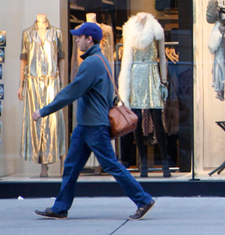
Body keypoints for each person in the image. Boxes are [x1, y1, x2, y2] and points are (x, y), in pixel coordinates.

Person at [32, 22, 156, 221]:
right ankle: (60, 208)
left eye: (79, 37)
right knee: (71, 166)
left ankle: (143, 200)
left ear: (89, 39)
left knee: (112, 165)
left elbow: (72, 91)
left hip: (94, 126)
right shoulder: (101, 60)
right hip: (87, 125)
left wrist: (44, 111)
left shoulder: (91, 64)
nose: (76, 40)